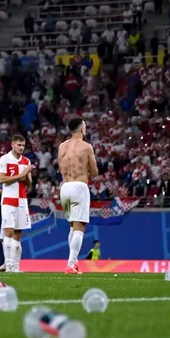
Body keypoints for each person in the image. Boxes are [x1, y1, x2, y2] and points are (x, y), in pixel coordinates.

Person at [57, 117, 98, 275]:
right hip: (79, 186)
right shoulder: (86, 147)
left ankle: (73, 262)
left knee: (72, 226)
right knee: (79, 226)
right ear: (81, 129)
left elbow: (61, 167)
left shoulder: (62, 146)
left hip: (65, 186)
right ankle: (71, 264)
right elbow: (94, 171)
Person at [0, 134, 34, 273]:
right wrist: (21, 175)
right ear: (12, 144)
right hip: (8, 199)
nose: (21, 148)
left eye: (23, 145)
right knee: (9, 231)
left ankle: (16, 266)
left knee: (18, 234)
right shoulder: (5, 159)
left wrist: (27, 176)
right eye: (19, 145)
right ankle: (9, 265)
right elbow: (2, 179)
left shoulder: (26, 161)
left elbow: (29, 185)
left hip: (22, 200)